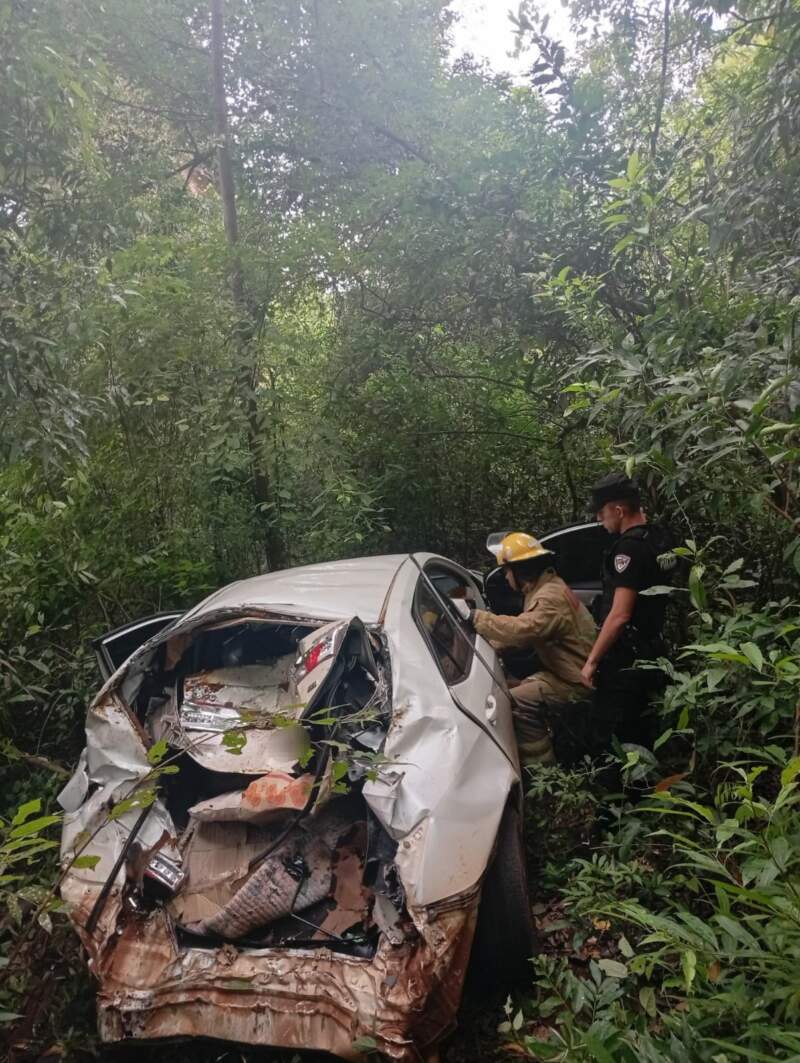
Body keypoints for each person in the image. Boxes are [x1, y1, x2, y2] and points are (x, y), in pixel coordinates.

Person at [458, 532, 596, 767]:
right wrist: (492, 646)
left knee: (517, 702)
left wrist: (474, 617)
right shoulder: (548, 587)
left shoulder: (548, 599)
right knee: (518, 684)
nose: (505, 577)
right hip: (569, 670)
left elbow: (523, 629)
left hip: (576, 681)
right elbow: (530, 633)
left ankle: (541, 770)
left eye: (506, 571)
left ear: (519, 570)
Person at [580, 472, 676, 745]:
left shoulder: (629, 550)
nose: (599, 519)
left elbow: (620, 614)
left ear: (618, 510)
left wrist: (592, 662)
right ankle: (646, 784)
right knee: (644, 728)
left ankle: (623, 787)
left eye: (601, 512)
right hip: (654, 648)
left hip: (627, 660)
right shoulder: (660, 538)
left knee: (617, 734)